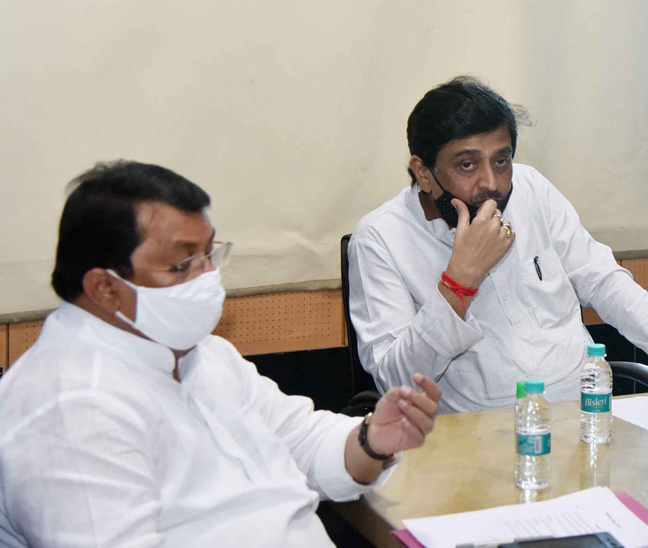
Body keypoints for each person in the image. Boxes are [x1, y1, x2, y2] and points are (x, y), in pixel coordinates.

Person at [0, 161, 441, 546]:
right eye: (181, 265)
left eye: (209, 254)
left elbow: (300, 441)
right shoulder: (71, 407)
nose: (208, 277)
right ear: (104, 288)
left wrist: (373, 440)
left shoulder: (203, 355)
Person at [348, 76, 648, 412]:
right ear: (423, 173)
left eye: (502, 160)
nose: (492, 184)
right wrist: (459, 283)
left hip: (585, 420)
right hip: (470, 438)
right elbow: (396, 381)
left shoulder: (532, 189)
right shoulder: (380, 239)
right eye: (467, 165)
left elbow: (605, 282)